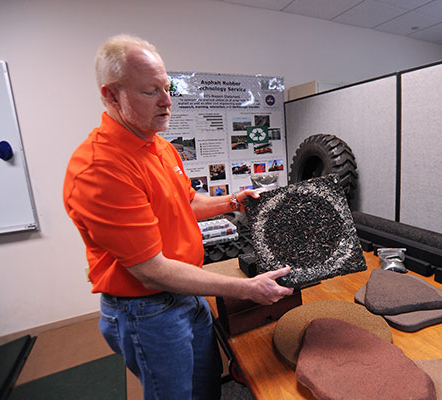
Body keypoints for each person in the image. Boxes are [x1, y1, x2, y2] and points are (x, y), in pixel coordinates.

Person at [63, 34, 293, 400]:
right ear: (111, 96)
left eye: (167, 88)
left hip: (188, 292)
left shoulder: (159, 146)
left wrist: (235, 201)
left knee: (206, 385)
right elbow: (150, 268)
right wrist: (249, 289)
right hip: (147, 310)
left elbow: (184, 203)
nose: (167, 102)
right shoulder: (100, 169)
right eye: (150, 91)